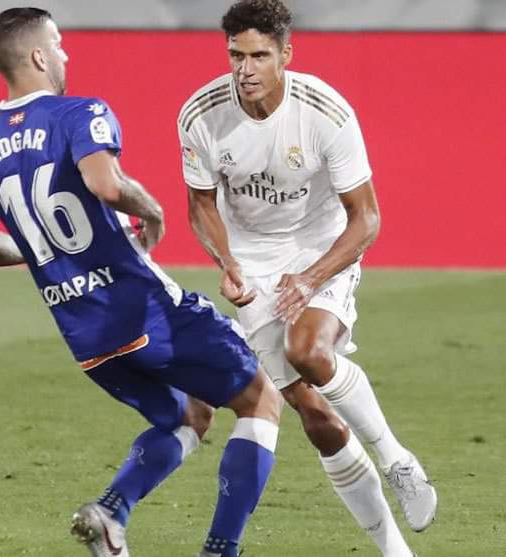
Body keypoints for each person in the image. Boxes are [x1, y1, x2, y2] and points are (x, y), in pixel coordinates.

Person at [0, 8, 281, 557]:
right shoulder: (79, 112)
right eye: (58, 44)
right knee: (261, 400)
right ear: (38, 55)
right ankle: (221, 550)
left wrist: (42, 253)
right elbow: (106, 185)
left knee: (190, 415)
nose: (64, 54)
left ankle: (111, 512)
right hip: (144, 309)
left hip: (85, 336)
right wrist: (151, 208)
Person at [179, 1, 438, 555]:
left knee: (307, 350)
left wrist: (310, 276)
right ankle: (396, 550)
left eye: (259, 56)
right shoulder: (201, 114)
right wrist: (227, 263)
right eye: (236, 55)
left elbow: (366, 218)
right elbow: (200, 205)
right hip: (253, 266)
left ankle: (396, 459)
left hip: (321, 249)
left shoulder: (324, 112)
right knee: (316, 416)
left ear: (285, 55)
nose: (245, 68)